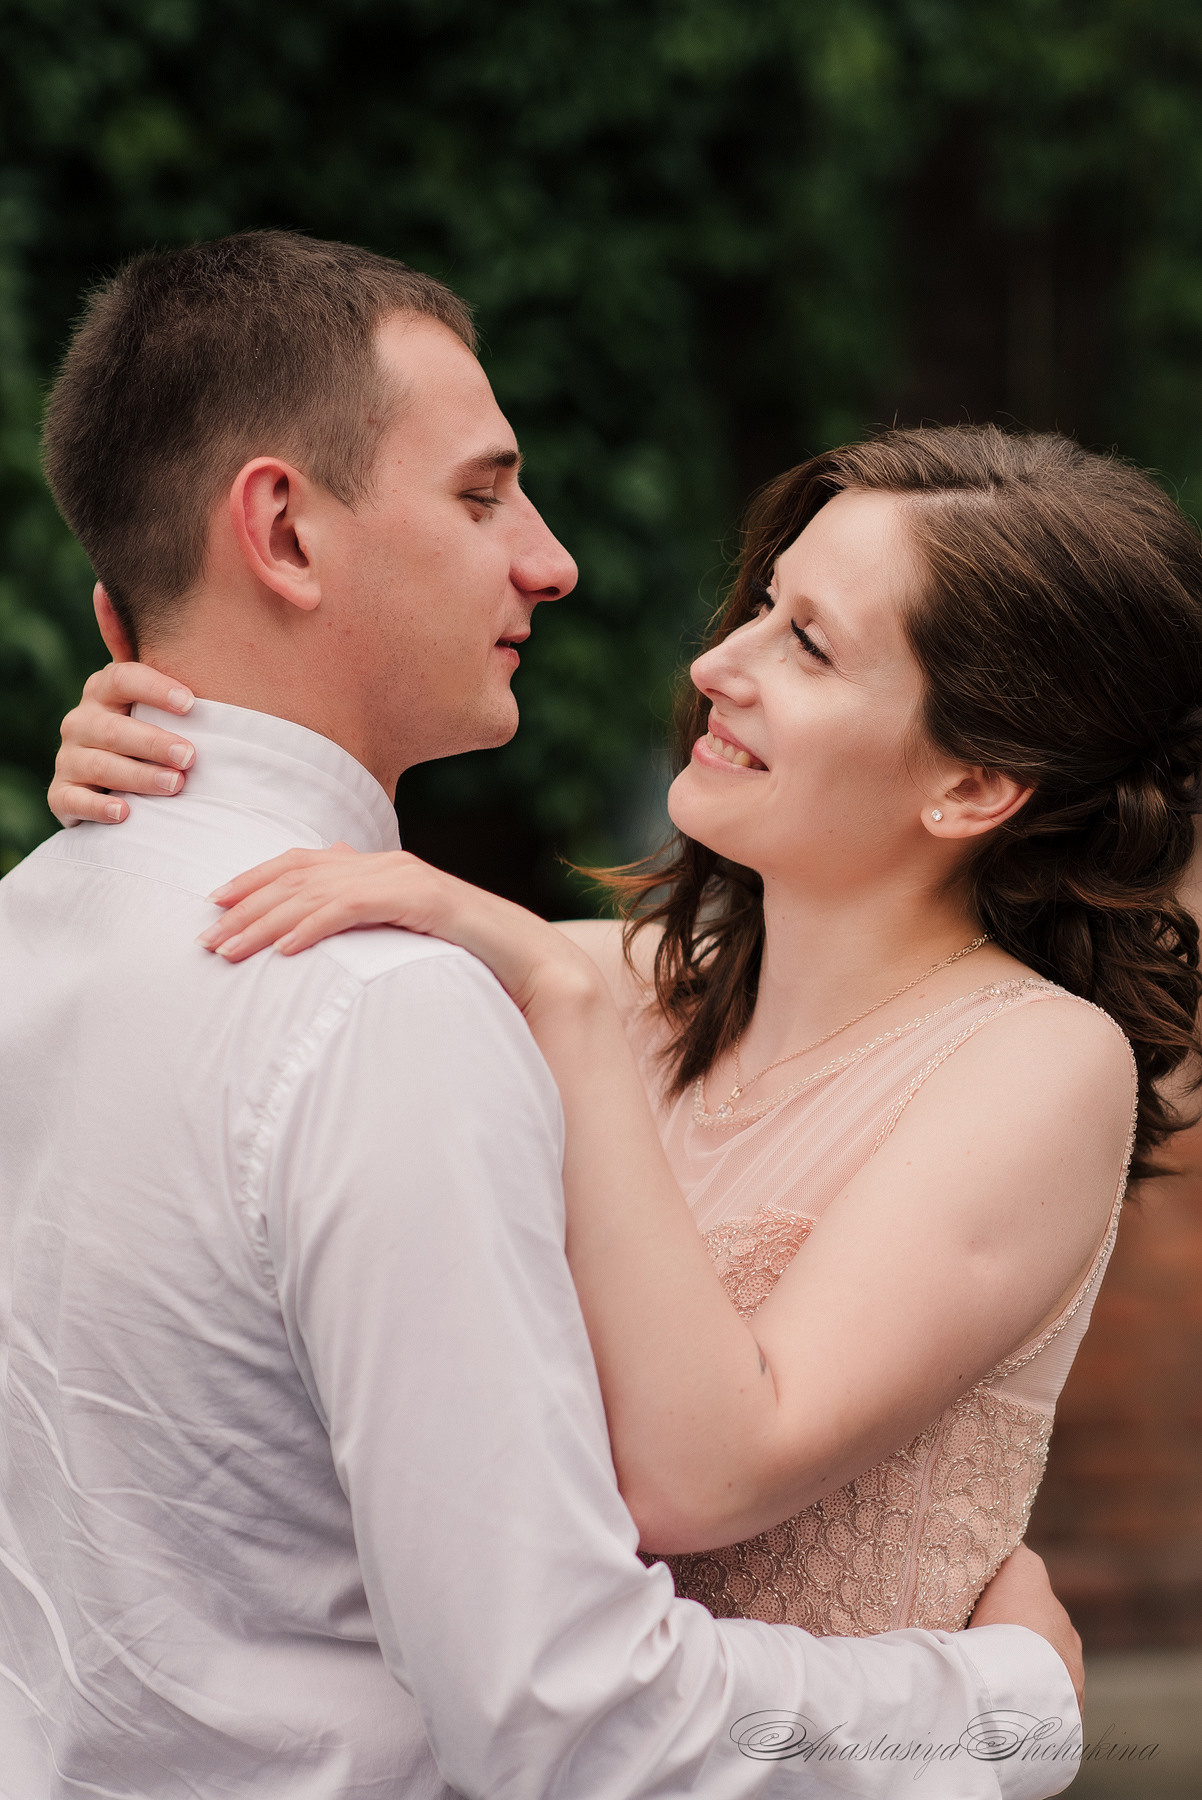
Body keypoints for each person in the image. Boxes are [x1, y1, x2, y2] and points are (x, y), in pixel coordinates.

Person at [1, 230, 1084, 1800]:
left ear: (981, 783)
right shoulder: (396, 1008)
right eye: (481, 491)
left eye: (808, 639)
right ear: (284, 533)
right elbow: (568, 1715)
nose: (555, 562)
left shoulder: (43, 921)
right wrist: (999, 1702)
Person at [64, 424, 1202, 1659]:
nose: (719, 662)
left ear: (974, 787)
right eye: (762, 607)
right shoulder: (592, 980)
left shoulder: (1039, 1064)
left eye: (809, 647)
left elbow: (705, 1478)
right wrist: (169, 759)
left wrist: (559, 999)